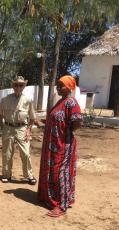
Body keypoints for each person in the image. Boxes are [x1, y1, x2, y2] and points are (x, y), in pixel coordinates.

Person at [38, 75, 83, 217]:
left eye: (61, 85)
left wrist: (64, 135)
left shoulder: (71, 102)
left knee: (60, 173)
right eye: (57, 84)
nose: (58, 87)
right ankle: (50, 197)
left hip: (63, 145)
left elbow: (77, 122)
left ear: (69, 87)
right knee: (51, 171)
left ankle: (62, 206)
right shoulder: (60, 102)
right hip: (52, 145)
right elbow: (55, 119)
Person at [0, 76, 37, 185]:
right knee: (7, 153)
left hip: (22, 129)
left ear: (24, 86)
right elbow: (0, 115)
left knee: (25, 153)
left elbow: (32, 118)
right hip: (8, 128)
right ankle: (6, 175)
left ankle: (29, 175)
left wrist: (28, 130)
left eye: (21, 85)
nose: (18, 87)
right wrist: (3, 128)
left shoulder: (28, 101)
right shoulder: (5, 100)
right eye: (16, 85)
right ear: (13, 86)